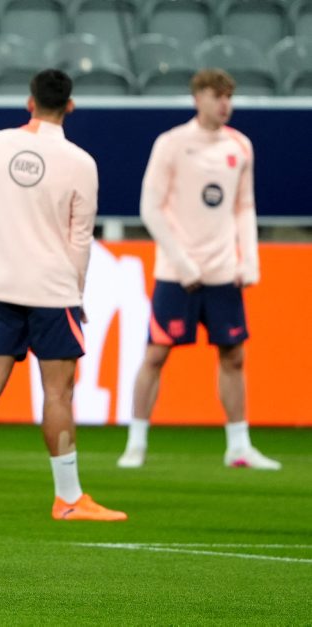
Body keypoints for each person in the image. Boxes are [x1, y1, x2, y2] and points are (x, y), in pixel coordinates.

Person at [0, 69, 127, 522]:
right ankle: (68, 497)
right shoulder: (81, 162)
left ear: (30, 102)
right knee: (58, 393)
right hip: (53, 291)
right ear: (70, 106)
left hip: (2, 286)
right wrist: (77, 292)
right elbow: (81, 239)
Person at [117, 69, 280, 471]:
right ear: (197, 98)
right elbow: (150, 208)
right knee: (156, 354)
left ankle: (238, 446)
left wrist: (249, 259)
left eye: (229, 97)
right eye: (216, 96)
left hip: (223, 270)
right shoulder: (172, 143)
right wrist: (181, 260)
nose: (224, 104)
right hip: (178, 272)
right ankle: (136, 443)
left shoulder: (240, 146)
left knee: (233, 355)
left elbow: (244, 206)